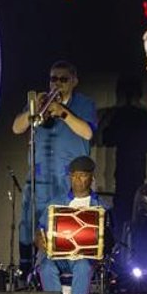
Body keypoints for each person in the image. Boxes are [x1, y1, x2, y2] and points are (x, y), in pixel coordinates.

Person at [14, 61, 95, 269]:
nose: (57, 84)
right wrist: (33, 110)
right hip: (39, 178)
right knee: (30, 226)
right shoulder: (39, 102)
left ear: (74, 81)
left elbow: (87, 132)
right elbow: (16, 128)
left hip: (68, 180)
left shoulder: (84, 104)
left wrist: (63, 112)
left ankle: (62, 274)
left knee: (64, 230)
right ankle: (26, 271)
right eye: (53, 79)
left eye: (63, 79)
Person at [35, 156, 110, 294]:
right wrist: (40, 241)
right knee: (46, 267)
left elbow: (109, 240)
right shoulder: (56, 202)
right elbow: (40, 230)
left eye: (82, 175)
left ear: (91, 177)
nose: (77, 180)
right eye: (74, 175)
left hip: (82, 257)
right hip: (58, 256)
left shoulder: (101, 206)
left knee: (83, 266)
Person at [92, 73, 147, 247]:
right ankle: (129, 248)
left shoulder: (120, 115)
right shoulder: (142, 116)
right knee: (133, 212)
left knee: (124, 213)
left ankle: (122, 249)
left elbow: (106, 137)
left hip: (125, 171)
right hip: (133, 171)